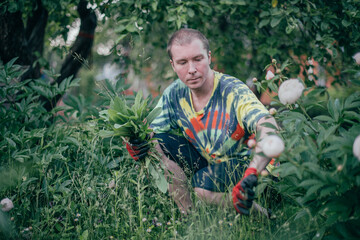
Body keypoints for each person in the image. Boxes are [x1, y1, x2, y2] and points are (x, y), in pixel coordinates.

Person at [126, 28, 279, 216]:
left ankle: (263, 214)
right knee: (157, 144)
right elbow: (150, 131)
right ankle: (188, 217)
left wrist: (253, 171)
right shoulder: (175, 94)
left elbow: (267, 124)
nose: (192, 70)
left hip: (255, 172)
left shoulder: (232, 90)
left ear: (209, 57)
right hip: (213, 162)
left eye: (197, 59)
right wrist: (136, 143)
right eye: (183, 62)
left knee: (202, 188)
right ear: (173, 65)